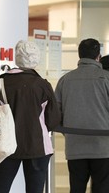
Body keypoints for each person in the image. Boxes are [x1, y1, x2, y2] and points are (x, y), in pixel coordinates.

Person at [0, 40, 61, 193]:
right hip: (38, 147)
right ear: (36, 58)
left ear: (17, 58)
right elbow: (53, 120)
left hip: (5, 146)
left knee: (0, 190)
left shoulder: (3, 82)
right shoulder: (42, 85)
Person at [55, 38, 109, 193]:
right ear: (98, 56)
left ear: (79, 56)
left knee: (76, 188)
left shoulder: (65, 80)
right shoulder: (106, 78)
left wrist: (68, 133)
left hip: (74, 147)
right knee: (102, 188)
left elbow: (56, 114)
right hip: (103, 147)